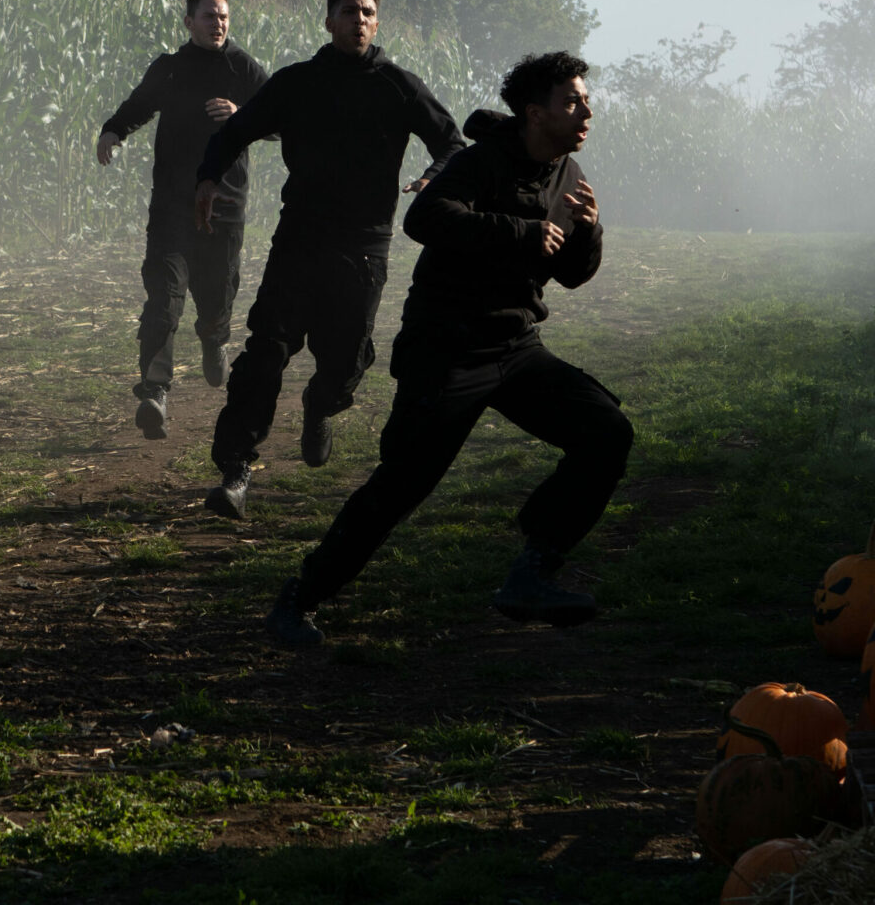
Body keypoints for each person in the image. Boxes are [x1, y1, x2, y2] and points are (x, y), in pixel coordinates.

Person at [264, 51, 634, 645]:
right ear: (536, 113)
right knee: (401, 485)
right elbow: (424, 216)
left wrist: (587, 232)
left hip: (516, 346)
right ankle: (298, 600)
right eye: (572, 101)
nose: (586, 109)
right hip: (447, 350)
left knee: (606, 430)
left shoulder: (568, 171)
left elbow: (569, 274)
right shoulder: (478, 162)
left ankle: (532, 570)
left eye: (586, 99)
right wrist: (521, 230)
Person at [195, 0, 465, 519]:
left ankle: (321, 406)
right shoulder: (297, 83)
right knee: (265, 351)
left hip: (364, 248)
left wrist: (434, 176)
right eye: (348, 12)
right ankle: (236, 470)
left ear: (377, 22)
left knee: (344, 361)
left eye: (367, 13)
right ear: (328, 21)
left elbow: (453, 144)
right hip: (298, 241)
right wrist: (208, 179)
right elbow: (235, 131)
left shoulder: (400, 87)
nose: (358, 20)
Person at [97, 0, 269, 439]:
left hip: (225, 206)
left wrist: (241, 114)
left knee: (217, 297)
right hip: (172, 204)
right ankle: (155, 391)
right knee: (164, 297)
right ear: (188, 21)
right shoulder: (169, 69)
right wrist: (113, 131)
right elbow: (139, 105)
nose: (219, 24)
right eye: (210, 16)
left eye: (225, 17)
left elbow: (280, 118)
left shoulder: (243, 67)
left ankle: (214, 338)